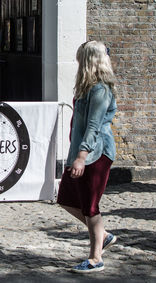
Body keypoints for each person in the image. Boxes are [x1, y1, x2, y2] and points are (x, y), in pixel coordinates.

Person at [57, 41, 117, 273]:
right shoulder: (87, 87)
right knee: (66, 198)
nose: (78, 63)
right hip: (80, 153)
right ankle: (103, 235)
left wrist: (81, 157)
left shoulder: (100, 89)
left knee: (90, 206)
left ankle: (95, 259)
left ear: (90, 60)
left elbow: (93, 127)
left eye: (81, 58)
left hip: (95, 154)